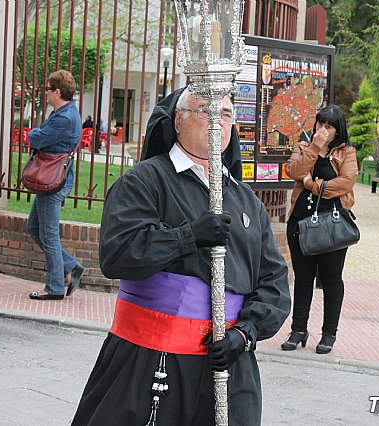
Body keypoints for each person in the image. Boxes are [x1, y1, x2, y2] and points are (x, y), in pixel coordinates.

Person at [71, 87, 290, 426]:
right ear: (178, 119)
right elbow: (117, 254)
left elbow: (274, 283)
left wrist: (245, 333)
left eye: (227, 114)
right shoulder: (143, 182)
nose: (218, 122)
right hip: (148, 360)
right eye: (206, 110)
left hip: (228, 364)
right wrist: (187, 237)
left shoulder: (248, 201)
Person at [282, 104, 358, 354]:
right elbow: (293, 171)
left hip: (332, 225)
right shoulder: (304, 147)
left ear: (338, 131)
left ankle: (329, 334)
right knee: (303, 278)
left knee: (331, 279)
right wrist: (315, 147)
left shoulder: (346, 153)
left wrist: (312, 185)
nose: (323, 130)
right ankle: (298, 329)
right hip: (301, 223)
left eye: (329, 126)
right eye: (320, 124)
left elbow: (345, 183)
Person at [26, 69, 85, 300]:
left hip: (53, 181)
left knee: (49, 234)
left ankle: (54, 287)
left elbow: (37, 138)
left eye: (48, 89)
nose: (46, 93)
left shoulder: (64, 118)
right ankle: (70, 266)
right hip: (50, 179)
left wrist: (33, 134)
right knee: (33, 227)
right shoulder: (64, 112)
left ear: (58, 91)